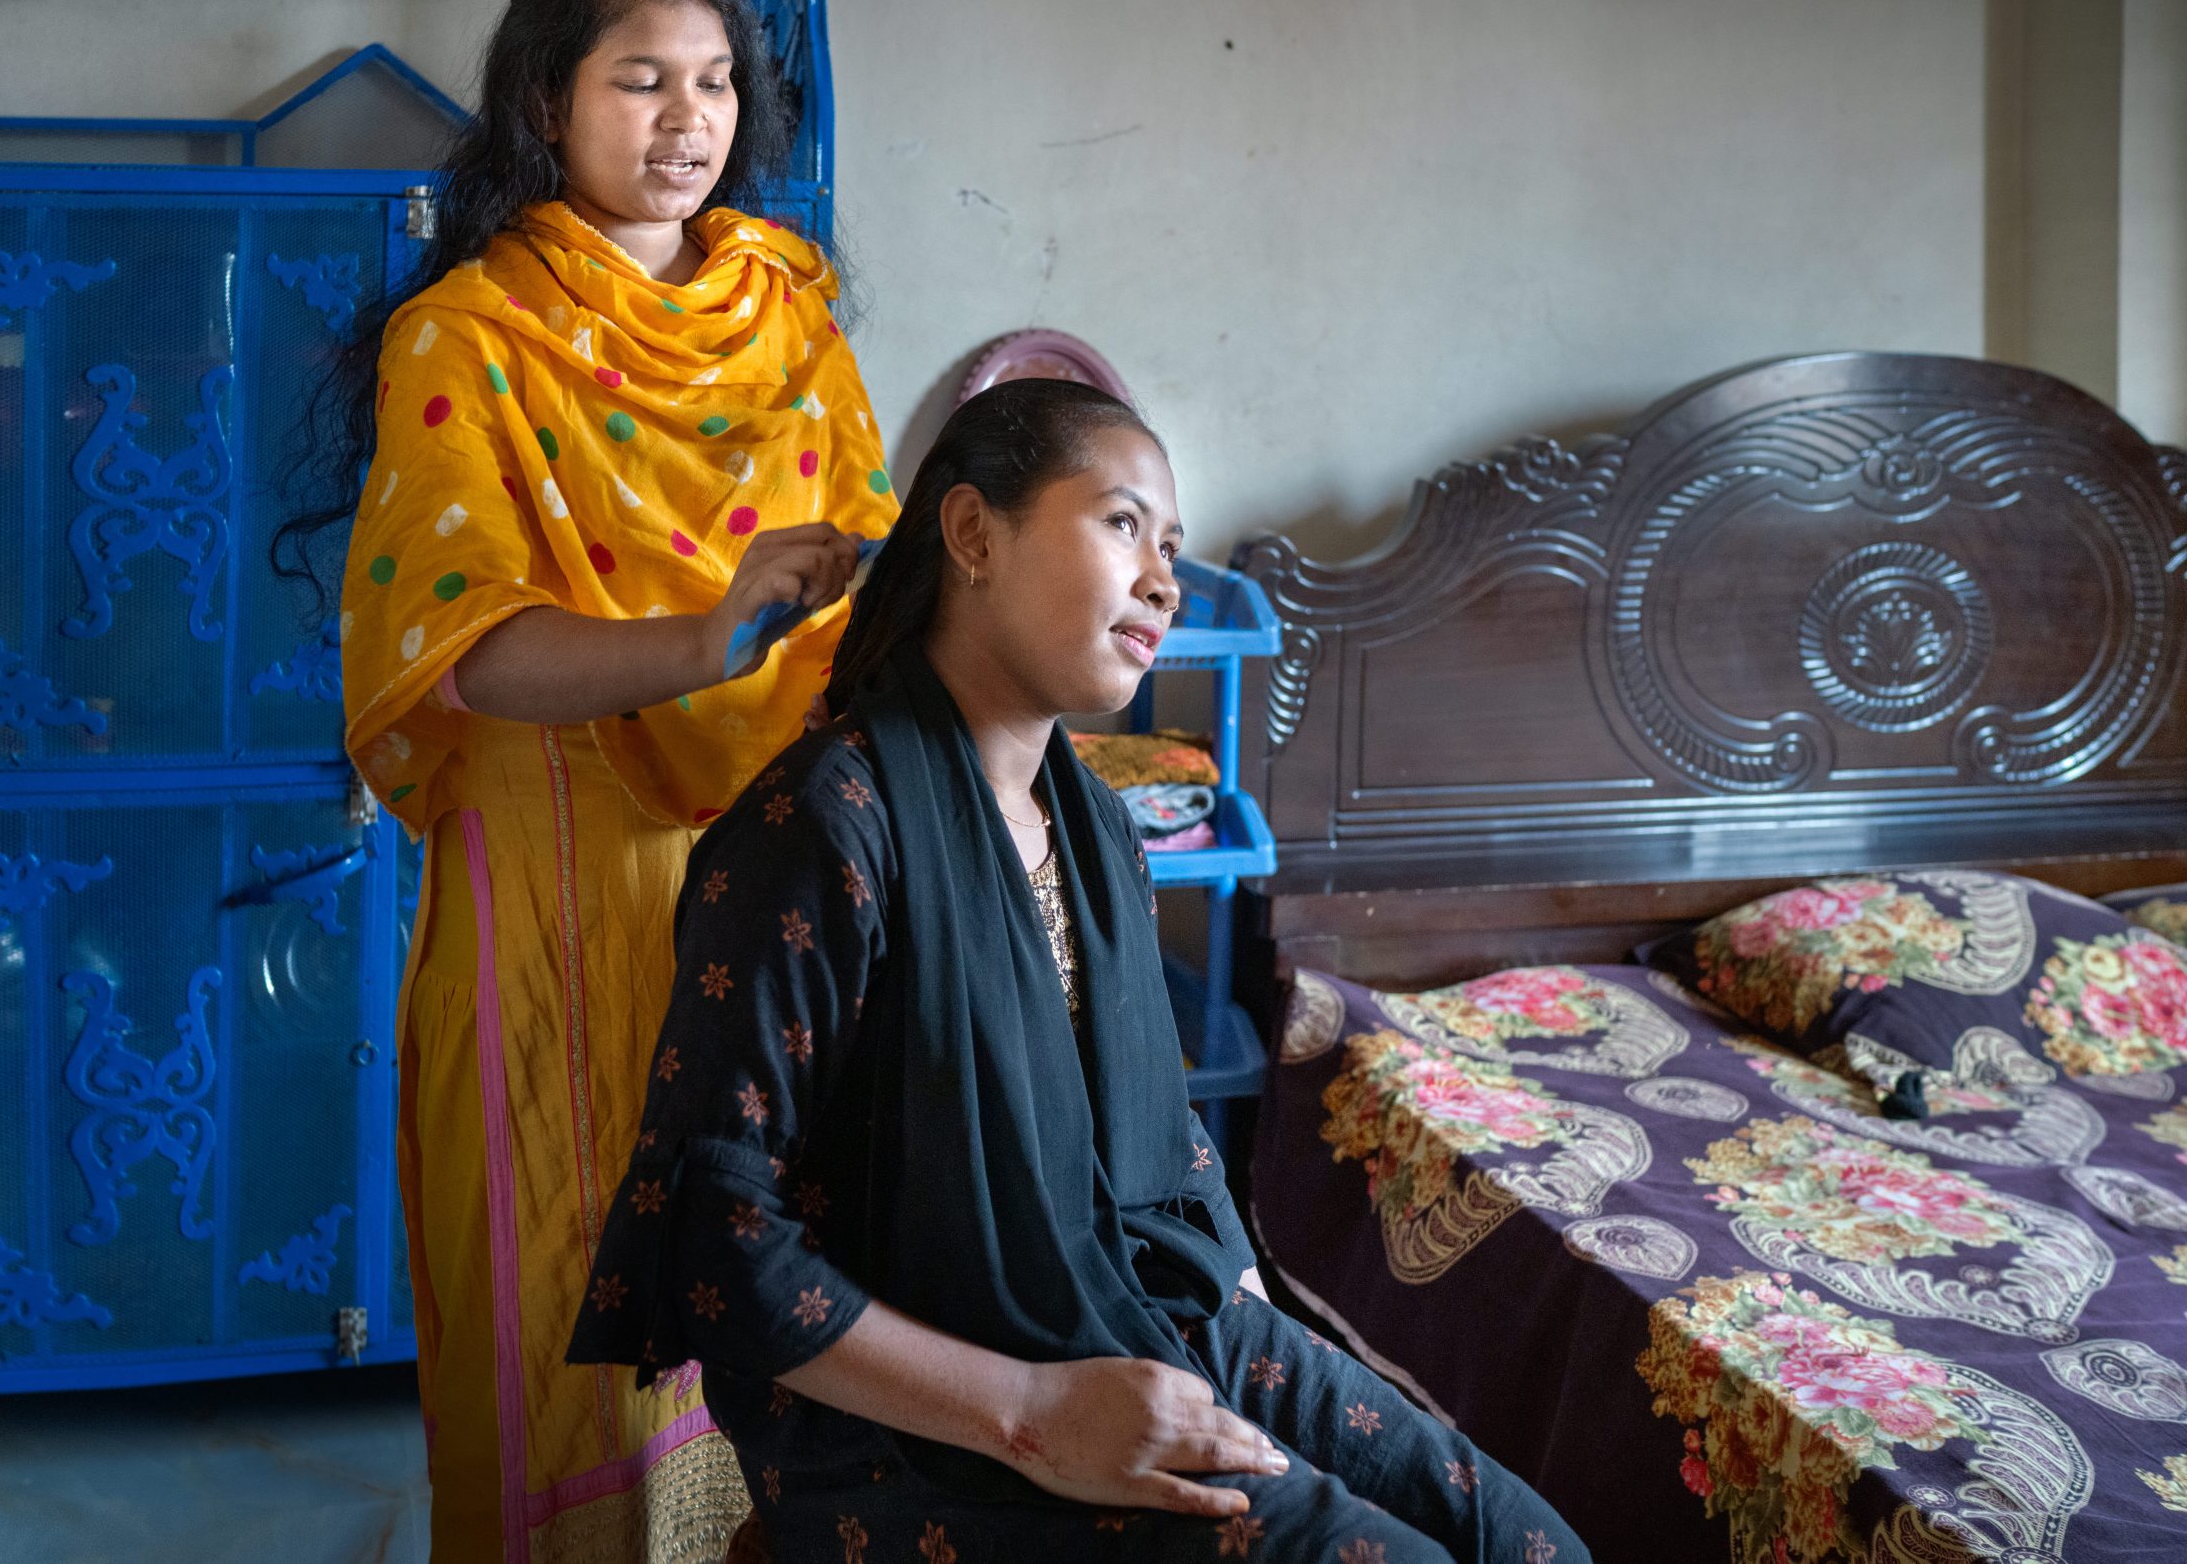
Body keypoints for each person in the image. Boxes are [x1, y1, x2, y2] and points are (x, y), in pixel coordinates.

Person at [568, 380, 1590, 1562]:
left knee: (1528, 1546)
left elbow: (1155, 1131)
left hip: (1149, 1317)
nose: (1162, 578)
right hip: (920, 1430)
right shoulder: (825, 828)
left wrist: (1255, 1348)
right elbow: (714, 1243)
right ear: (971, 535)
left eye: (1172, 546)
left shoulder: (1099, 827)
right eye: (1121, 524)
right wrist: (1036, 1418)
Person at [288, 0, 899, 1562]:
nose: (687, 117)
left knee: (779, 1270)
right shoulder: (469, 338)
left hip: (775, 884)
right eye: (642, 78)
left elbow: (873, 604)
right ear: (546, 105)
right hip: (560, 897)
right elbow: (458, 653)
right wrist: (710, 639)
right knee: (571, 1295)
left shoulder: (790, 314)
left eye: (713, 80)